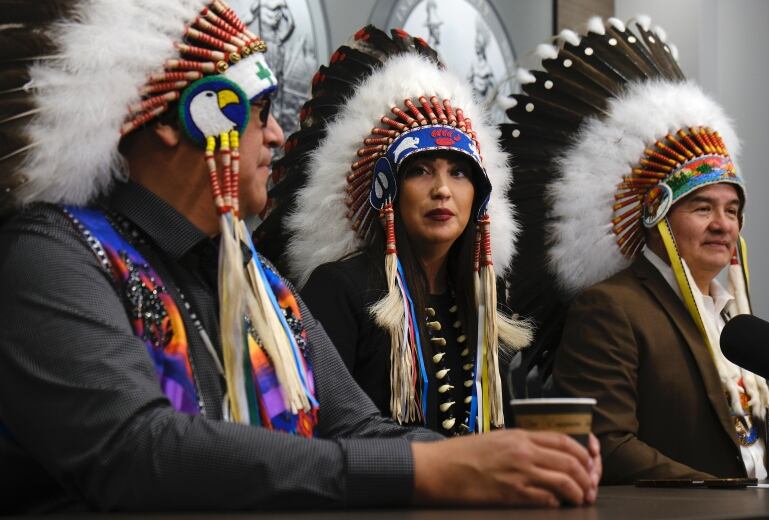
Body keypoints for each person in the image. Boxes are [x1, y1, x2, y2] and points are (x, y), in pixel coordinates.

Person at [0, 3, 600, 512]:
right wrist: (425, 471)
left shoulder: (256, 280)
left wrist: (505, 460)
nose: (277, 137)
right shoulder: (52, 255)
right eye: (259, 112)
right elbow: (137, 451)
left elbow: (356, 427)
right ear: (183, 117)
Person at [500, 15, 769, 484]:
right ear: (656, 219)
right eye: (702, 208)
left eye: (733, 211)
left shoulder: (736, 321)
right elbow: (606, 444)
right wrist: (721, 492)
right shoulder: (611, 308)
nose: (722, 225)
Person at [256, 26, 529, 436]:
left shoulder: (487, 296)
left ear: (479, 194)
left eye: (458, 172)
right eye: (420, 171)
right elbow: (320, 432)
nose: (442, 190)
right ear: (388, 190)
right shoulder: (339, 290)